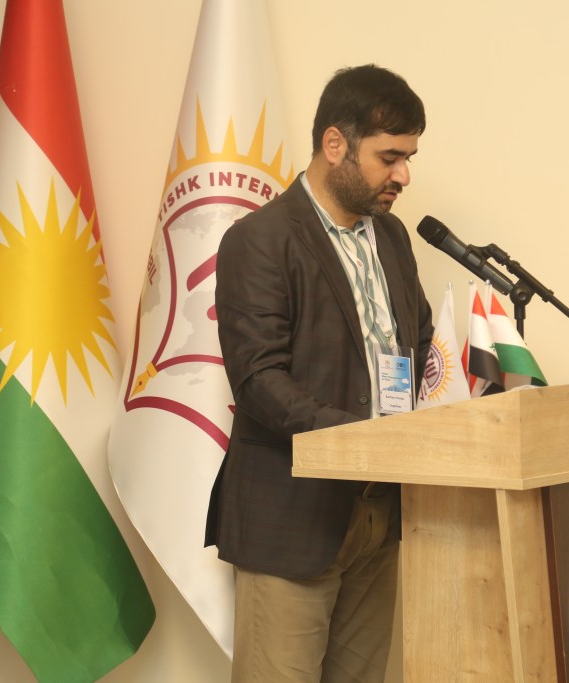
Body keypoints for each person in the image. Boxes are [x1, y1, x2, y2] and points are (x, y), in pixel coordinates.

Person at [206, 64, 434, 683]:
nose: (403, 176)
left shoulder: (393, 238)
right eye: (389, 157)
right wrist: (359, 440)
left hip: (379, 512)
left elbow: (417, 340)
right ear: (335, 144)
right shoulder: (259, 240)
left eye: (408, 158)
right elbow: (258, 379)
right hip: (294, 514)